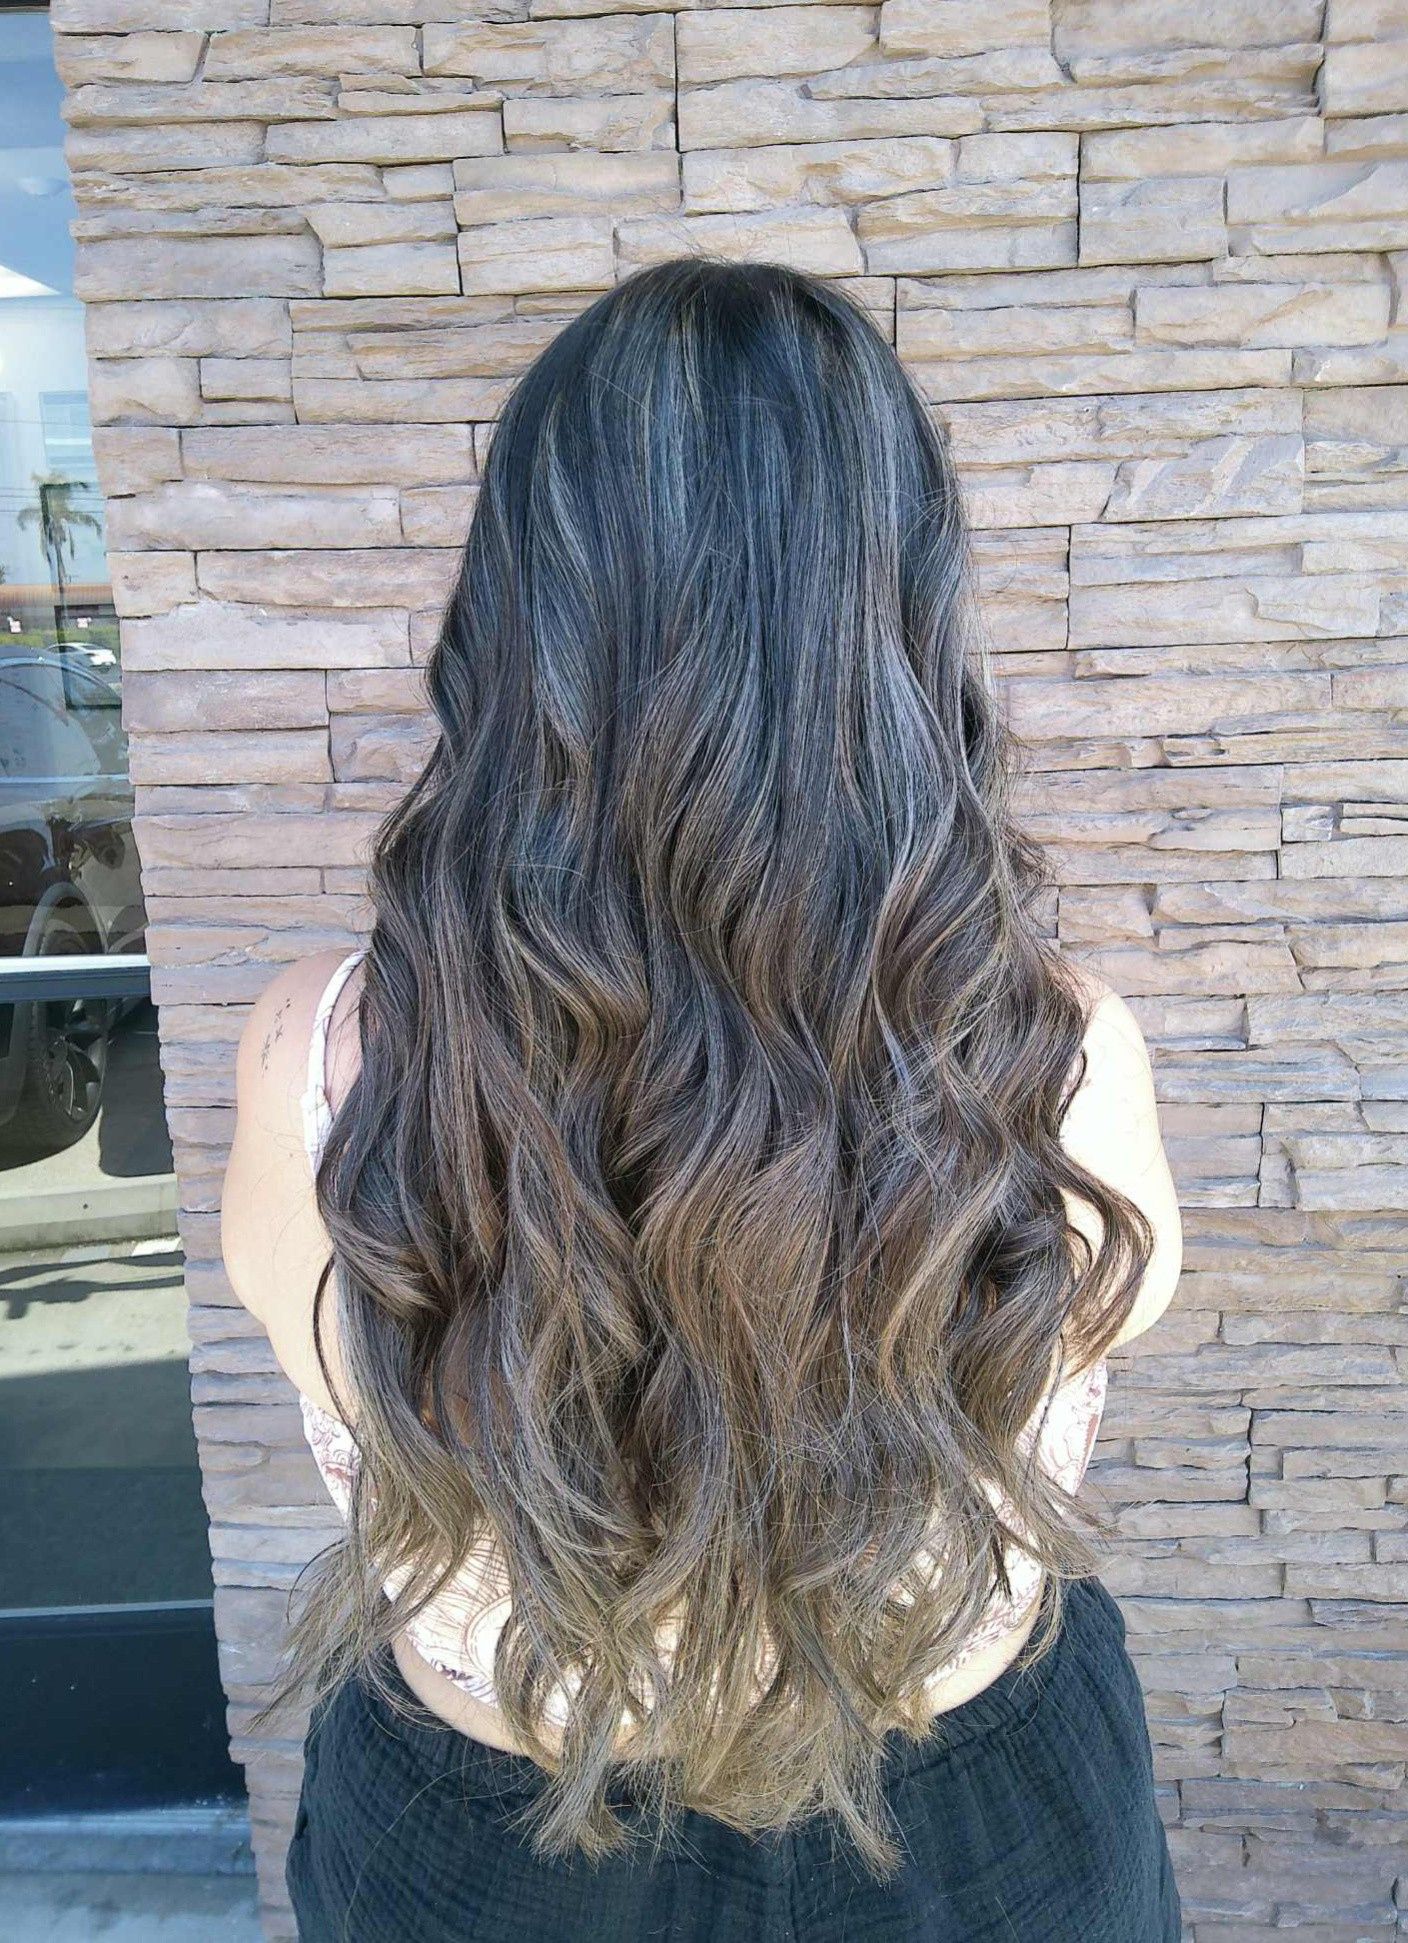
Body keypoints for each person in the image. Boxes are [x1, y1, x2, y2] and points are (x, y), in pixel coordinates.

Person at [221, 257, 1184, 1941]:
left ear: (520, 610)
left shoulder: (325, 1057)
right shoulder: (1057, 1058)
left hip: (492, 1844)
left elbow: (344, 1375)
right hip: (975, 1836)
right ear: (899, 616)